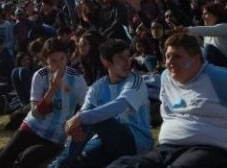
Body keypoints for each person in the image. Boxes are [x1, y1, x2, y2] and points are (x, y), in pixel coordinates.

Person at [107, 33, 227, 168]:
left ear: (195, 58)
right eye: (167, 56)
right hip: (169, 148)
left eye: (176, 56)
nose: (169, 62)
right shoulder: (167, 78)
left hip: (216, 150)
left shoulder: (222, 79)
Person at [0, 38, 88, 168]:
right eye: (53, 61)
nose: (59, 64)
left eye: (62, 59)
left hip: (54, 137)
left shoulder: (76, 78)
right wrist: (53, 89)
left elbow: (86, 107)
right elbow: (36, 113)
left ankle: (14, 154)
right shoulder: (40, 76)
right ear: (45, 61)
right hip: (32, 127)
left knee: (27, 160)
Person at [49, 39, 152, 168]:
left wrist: (80, 118)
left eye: (128, 56)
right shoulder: (98, 86)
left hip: (135, 141)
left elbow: (119, 106)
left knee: (92, 118)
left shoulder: (135, 80)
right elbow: (84, 112)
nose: (127, 62)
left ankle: (60, 163)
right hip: (104, 140)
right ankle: (59, 164)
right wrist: (76, 127)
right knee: (80, 161)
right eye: (121, 57)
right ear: (107, 62)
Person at [185, 2, 227, 71]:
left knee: (208, 48)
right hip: (216, 64)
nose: (203, 17)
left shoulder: (226, 27)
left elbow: (209, 31)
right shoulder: (208, 33)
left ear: (216, 15)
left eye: (206, 14)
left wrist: (186, 29)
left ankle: (205, 73)